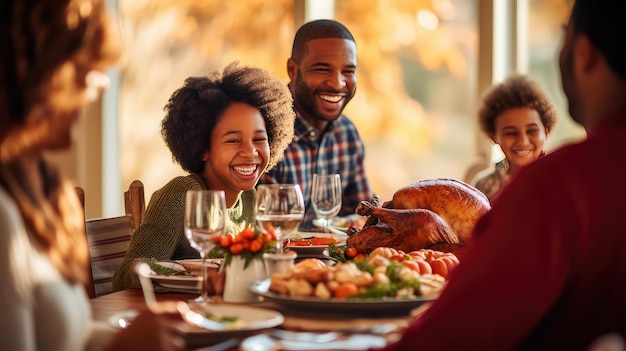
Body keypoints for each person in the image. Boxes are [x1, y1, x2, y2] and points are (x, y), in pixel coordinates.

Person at [374, 0, 626, 349]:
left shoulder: (559, 186)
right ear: (494, 136)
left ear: (583, 52)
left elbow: (451, 335)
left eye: (562, 37)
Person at [0, 0, 182, 350]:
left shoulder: (51, 194)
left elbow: (70, 338)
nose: (100, 83)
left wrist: (136, 335)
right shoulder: (4, 215)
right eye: (82, 66)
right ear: (23, 70)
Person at [113, 62, 295, 291]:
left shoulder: (249, 198)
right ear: (203, 148)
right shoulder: (181, 195)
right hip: (179, 317)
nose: (251, 152)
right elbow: (129, 271)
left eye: (259, 139)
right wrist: (196, 276)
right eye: (233, 140)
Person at [258, 19, 375, 230]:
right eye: (322, 69)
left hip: (330, 261)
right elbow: (259, 230)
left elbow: (365, 216)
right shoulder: (262, 130)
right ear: (293, 70)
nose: (337, 83)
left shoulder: (347, 133)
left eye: (348, 71)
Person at [472, 75, 557, 201]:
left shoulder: (561, 182)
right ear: (493, 137)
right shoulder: (484, 187)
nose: (523, 141)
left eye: (532, 131)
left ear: (546, 132)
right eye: (511, 133)